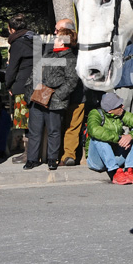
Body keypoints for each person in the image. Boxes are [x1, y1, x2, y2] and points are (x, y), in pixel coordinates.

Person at [24, 28, 79, 170]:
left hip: (54, 100)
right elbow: (33, 74)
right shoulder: (47, 55)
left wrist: (57, 96)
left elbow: (72, 80)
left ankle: (52, 159)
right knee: (34, 130)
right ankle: (32, 159)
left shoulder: (70, 58)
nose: (55, 40)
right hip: (37, 97)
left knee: (54, 130)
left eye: (58, 38)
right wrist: (29, 91)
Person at [85, 92, 133, 184]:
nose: (123, 106)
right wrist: (119, 138)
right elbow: (94, 130)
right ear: (110, 110)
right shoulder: (95, 113)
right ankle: (115, 173)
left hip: (116, 156)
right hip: (97, 161)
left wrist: (130, 136)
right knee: (98, 136)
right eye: (119, 105)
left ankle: (130, 170)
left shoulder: (122, 114)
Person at [4, 14, 36, 164]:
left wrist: (8, 84)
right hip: (38, 85)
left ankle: (28, 154)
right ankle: (35, 152)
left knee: (25, 122)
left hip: (22, 86)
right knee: (35, 121)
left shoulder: (17, 44)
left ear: (11, 29)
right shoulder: (35, 39)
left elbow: (12, 68)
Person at [56, 18, 85, 167]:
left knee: (66, 126)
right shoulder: (81, 48)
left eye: (58, 30)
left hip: (67, 95)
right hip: (77, 95)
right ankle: (68, 155)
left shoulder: (60, 50)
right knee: (71, 127)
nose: (55, 33)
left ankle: (64, 155)